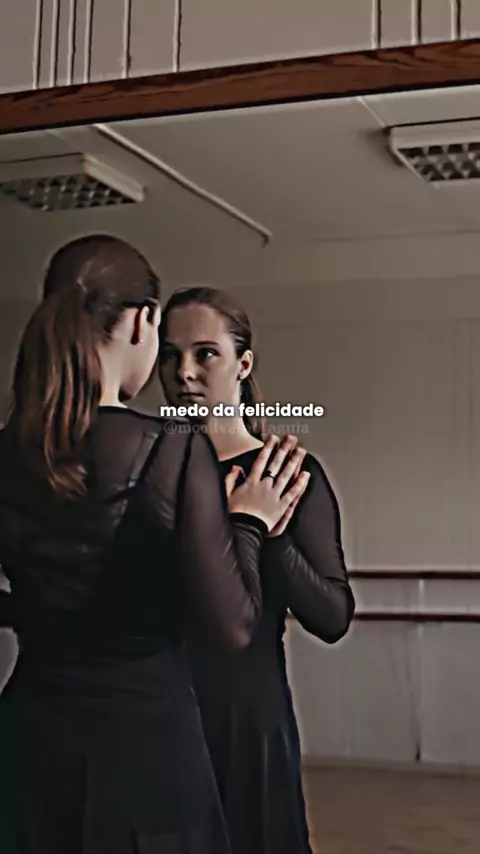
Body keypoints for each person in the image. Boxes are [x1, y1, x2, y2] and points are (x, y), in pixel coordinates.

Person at [0, 236, 310, 854]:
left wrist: (42, 613)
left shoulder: (8, 451)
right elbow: (232, 628)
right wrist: (249, 523)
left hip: (28, 740)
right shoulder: (169, 448)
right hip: (143, 747)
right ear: (144, 322)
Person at [157, 285, 356, 854]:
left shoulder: (286, 471)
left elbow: (332, 616)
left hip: (249, 720)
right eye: (170, 356)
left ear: (243, 364)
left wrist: (268, 531)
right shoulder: (144, 468)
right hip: (159, 716)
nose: (184, 373)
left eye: (205, 354)